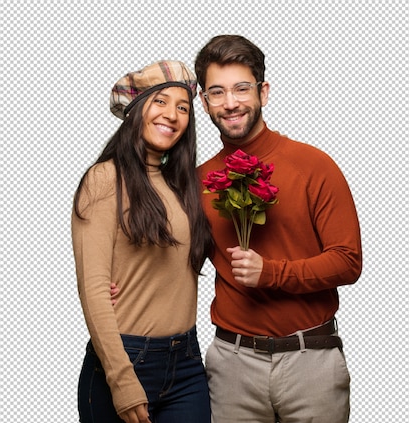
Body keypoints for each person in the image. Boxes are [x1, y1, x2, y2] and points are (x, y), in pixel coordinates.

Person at [194, 35, 363, 422]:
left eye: (241, 88)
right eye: (217, 92)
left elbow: (348, 262)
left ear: (263, 92)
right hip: (232, 365)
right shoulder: (200, 180)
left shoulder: (314, 166)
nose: (230, 102)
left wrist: (270, 273)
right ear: (204, 102)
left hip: (311, 362)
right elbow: (177, 262)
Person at [72, 60, 212, 423]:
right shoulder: (104, 180)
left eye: (183, 108)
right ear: (136, 110)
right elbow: (94, 289)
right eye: (160, 102)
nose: (173, 115)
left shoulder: (181, 186)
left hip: (187, 363)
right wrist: (121, 380)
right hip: (128, 359)